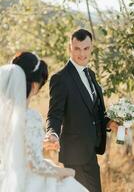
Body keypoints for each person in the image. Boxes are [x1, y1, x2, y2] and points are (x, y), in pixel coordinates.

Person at [0, 52, 89, 192]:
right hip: (29, 183)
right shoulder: (30, 117)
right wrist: (66, 172)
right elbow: (35, 165)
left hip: (7, 180)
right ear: (35, 86)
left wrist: (40, 141)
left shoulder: (4, 116)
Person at [45, 29, 118, 192]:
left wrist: (109, 123)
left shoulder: (90, 74)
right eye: (77, 48)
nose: (82, 54)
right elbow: (54, 114)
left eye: (86, 48)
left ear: (91, 47)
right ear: (70, 47)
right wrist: (52, 133)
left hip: (90, 152)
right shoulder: (60, 78)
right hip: (74, 156)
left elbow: (94, 111)